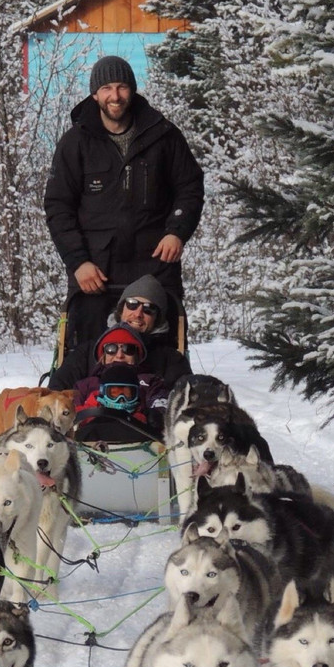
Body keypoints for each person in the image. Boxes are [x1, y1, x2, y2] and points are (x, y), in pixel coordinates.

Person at [44, 55, 204, 347]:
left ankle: (161, 394)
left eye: (121, 87)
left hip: (155, 266)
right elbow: (58, 207)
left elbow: (190, 187)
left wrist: (176, 231)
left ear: (132, 89)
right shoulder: (75, 142)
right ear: (95, 94)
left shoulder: (164, 136)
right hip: (96, 272)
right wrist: (79, 263)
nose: (114, 96)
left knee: (161, 351)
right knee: (89, 354)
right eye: (106, 88)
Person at [48, 276, 191, 391]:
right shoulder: (88, 352)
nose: (138, 314)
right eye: (132, 304)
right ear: (121, 309)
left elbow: (184, 399)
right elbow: (57, 389)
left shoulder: (170, 359)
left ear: (157, 318)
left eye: (148, 309)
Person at [71, 326, 169, 442]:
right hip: (91, 443)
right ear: (103, 354)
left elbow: (161, 403)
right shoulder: (86, 385)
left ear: (137, 355)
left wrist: (157, 415)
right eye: (111, 349)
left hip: (139, 440)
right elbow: (71, 413)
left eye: (128, 349)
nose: (119, 355)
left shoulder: (151, 382)